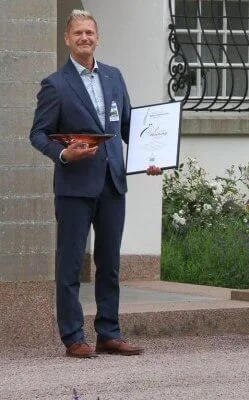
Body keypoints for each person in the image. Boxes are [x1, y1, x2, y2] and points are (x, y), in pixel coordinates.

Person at [30, 9, 161, 358]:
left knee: (110, 263)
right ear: (67, 39)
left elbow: (130, 127)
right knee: (70, 264)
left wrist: (152, 158)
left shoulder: (115, 78)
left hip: (112, 183)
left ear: (97, 37)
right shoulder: (55, 85)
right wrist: (63, 155)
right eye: (78, 34)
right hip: (74, 186)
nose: (84, 38)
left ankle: (109, 332)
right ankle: (73, 336)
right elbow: (38, 134)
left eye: (89, 32)